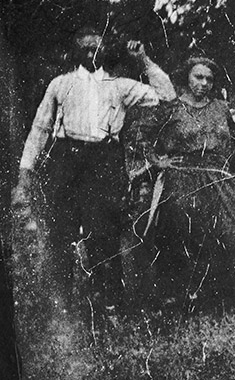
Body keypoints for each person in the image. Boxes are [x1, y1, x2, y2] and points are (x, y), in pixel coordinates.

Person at [14, 28, 176, 305]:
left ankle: (109, 299)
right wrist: (25, 173)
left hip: (103, 162)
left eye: (96, 48)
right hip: (66, 160)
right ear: (74, 52)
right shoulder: (60, 84)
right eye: (85, 49)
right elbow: (40, 129)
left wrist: (144, 60)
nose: (91, 53)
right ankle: (60, 301)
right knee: (60, 231)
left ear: (104, 51)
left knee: (103, 232)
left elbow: (167, 95)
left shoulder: (119, 85)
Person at [144, 56, 235, 309]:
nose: (203, 83)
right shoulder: (172, 107)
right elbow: (145, 138)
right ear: (187, 77)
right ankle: (181, 297)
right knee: (183, 230)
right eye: (197, 77)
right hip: (184, 175)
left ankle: (230, 296)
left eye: (209, 79)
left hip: (218, 174)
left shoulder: (221, 108)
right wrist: (160, 162)